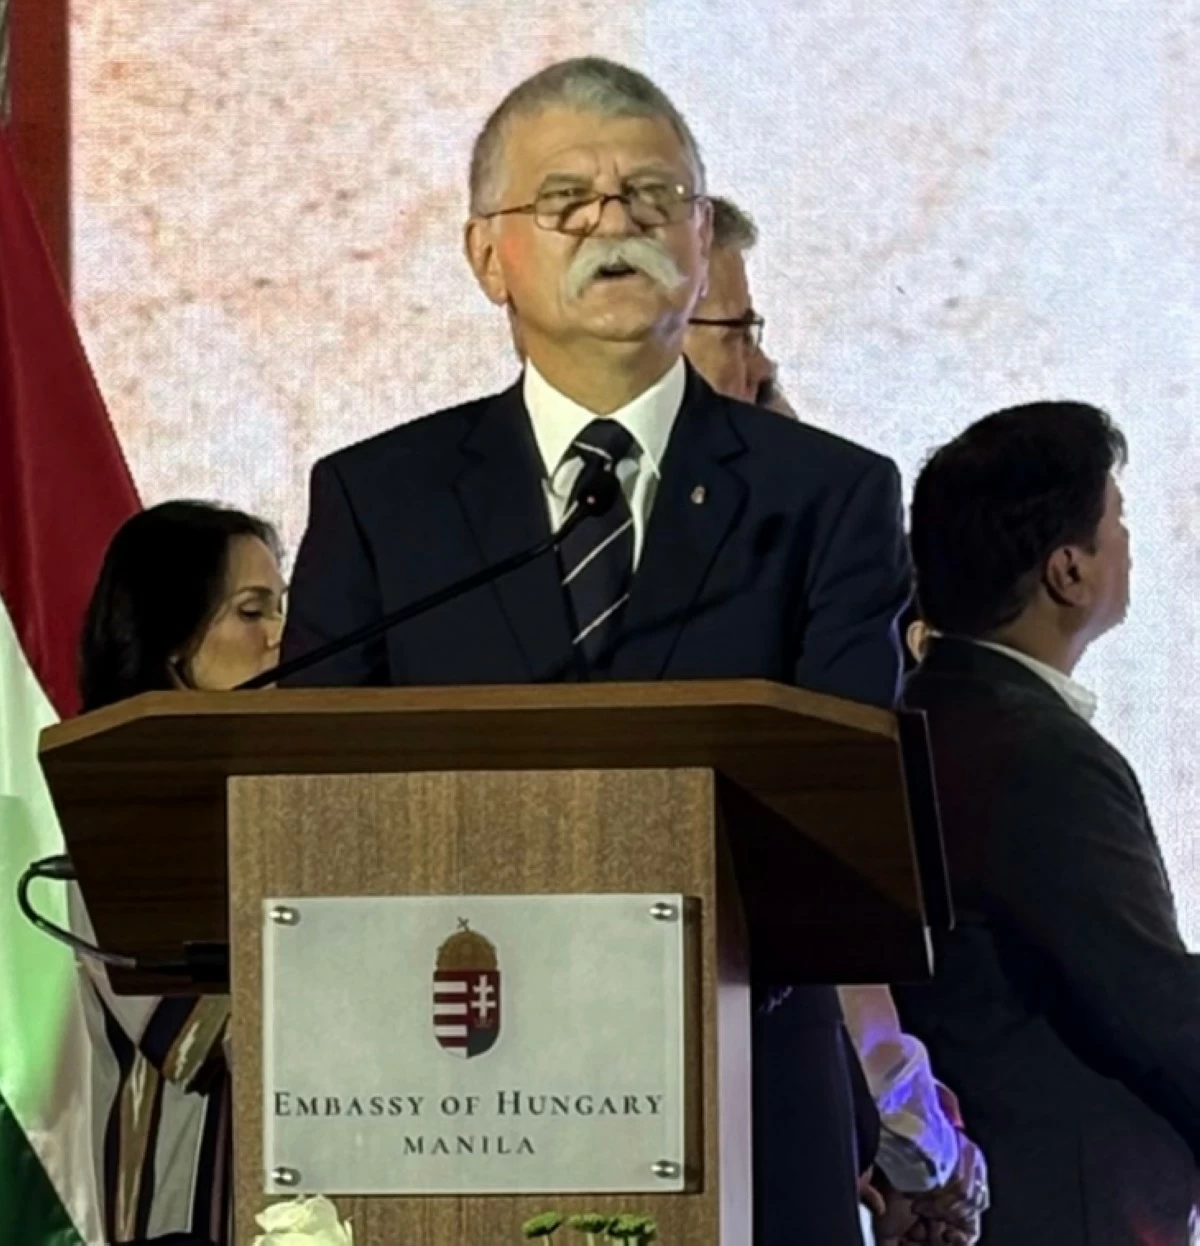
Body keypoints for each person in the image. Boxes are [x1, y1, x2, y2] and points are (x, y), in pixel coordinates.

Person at [282, 56, 911, 1244]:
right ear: (486, 257)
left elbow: (842, 806)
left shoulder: (825, 495)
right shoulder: (383, 498)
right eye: (566, 200)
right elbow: (317, 804)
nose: (613, 223)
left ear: (702, 234)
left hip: (743, 1101)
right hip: (449, 1101)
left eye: (653, 195)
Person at [683, 194, 987, 1246]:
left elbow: (841, 890)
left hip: (794, 1099)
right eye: (740, 330)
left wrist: (912, 1139)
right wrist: (911, 1140)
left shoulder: (812, 552)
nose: (761, 366)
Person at [895, 402, 1200, 1245]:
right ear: (1070, 570)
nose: (1132, 542)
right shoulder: (1038, 754)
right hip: (1069, 1208)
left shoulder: (924, 710)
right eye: (1120, 520)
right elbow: (1149, 998)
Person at [76, 500, 286, 1245]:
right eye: (252, 612)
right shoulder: (114, 809)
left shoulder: (304, 798)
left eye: (283, 610)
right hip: (184, 1214)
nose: (280, 640)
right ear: (173, 639)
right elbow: (194, 1039)